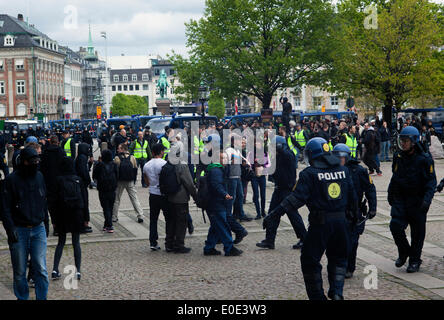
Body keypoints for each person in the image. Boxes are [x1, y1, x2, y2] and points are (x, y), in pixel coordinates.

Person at [267, 137, 357, 300]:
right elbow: (353, 197)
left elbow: (296, 199)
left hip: (320, 224)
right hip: (341, 223)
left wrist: (275, 214)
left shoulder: (309, 174)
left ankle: (317, 297)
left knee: (309, 260)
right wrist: (353, 219)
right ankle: (337, 292)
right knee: (339, 259)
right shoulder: (344, 171)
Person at [1, 147, 49, 300]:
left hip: (38, 228)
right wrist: (10, 229)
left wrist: (45, 223)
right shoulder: (12, 180)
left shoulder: (40, 176)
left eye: (37, 160)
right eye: (33, 161)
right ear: (25, 162)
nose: (36, 163)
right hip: (19, 230)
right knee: (20, 271)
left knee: (40, 268)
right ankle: (22, 298)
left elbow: (43, 201)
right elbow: (5, 208)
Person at [388, 126, 436, 273]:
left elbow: (431, 182)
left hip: (418, 201)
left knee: (417, 233)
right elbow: (394, 176)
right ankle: (404, 251)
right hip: (401, 199)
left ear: (414, 141)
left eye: (406, 141)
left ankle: (415, 260)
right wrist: (391, 194)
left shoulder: (425, 159)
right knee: (395, 226)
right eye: (401, 140)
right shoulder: (398, 156)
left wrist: (427, 200)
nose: (403, 143)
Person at [332, 144, 377, 278]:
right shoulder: (331, 171)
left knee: (352, 242)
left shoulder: (359, 171)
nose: (339, 160)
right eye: (336, 157)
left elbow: (370, 189)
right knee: (336, 241)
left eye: (341, 157)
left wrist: (373, 207)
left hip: (354, 212)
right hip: (338, 211)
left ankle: (349, 267)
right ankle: (338, 265)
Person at [258, 136, 307, 250]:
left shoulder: (287, 155)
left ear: (279, 146)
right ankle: (269, 240)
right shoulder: (279, 155)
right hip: (279, 189)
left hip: (287, 190)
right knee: (272, 214)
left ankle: (304, 239)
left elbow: (285, 157)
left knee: (293, 216)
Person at [203, 151, 243, 256]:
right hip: (215, 203)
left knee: (216, 226)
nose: (226, 160)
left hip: (215, 202)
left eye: (226, 158)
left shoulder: (217, 169)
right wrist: (224, 194)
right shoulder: (216, 171)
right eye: (223, 158)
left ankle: (209, 248)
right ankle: (229, 248)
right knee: (223, 225)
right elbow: (216, 185)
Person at [51, 157, 84, 281]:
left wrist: (53, 219)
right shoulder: (78, 180)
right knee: (76, 242)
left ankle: (55, 269)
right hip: (76, 213)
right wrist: (86, 217)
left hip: (62, 214)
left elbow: (53, 201)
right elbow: (84, 200)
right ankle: (78, 271)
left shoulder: (58, 180)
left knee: (61, 242)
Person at [165, 149, 197, 253]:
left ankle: (169, 243)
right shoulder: (182, 165)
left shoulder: (168, 164)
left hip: (169, 197)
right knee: (181, 222)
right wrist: (195, 196)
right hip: (181, 197)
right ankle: (179, 245)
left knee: (171, 222)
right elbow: (189, 183)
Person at [143, 143, 168, 251]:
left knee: (153, 219)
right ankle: (169, 240)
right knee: (168, 218)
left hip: (152, 194)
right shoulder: (164, 164)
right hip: (163, 194)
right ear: (161, 152)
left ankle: (153, 242)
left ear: (152, 152)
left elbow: (147, 182)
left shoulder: (146, 165)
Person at [113, 143, 145, 223]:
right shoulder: (132, 157)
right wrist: (134, 180)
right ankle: (140, 215)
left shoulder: (117, 158)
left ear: (123, 149)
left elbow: (115, 170)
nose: (117, 150)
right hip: (130, 181)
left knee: (116, 199)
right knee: (134, 198)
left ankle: (114, 216)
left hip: (120, 181)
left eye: (119, 148)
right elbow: (135, 169)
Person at [40, 135, 65, 236]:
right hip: (60, 182)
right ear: (58, 142)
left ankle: (54, 226)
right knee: (60, 205)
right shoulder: (61, 152)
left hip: (49, 182)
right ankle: (60, 226)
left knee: (52, 206)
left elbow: (42, 169)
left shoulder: (45, 153)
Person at [93, 149, 118, 233]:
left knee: (105, 207)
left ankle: (109, 225)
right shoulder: (114, 165)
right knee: (110, 207)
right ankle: (106, 224)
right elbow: (117, 175)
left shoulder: (99, 165)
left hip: (102, 189)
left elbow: (94, 176)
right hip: (112, 188)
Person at [247, 138, 270, 220]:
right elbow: (248, 163)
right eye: (256, 143)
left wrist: (263, 165)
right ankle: (258, 213)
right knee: (256, 194)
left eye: (259, 143)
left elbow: (268, 164)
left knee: (263, 195)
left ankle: (263, 212)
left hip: (262, 175)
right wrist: (252, 165)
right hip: (254, 176)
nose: (258, 144)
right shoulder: (251, 153)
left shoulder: (265, 153)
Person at [75, 143, 93, 233]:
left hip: (80, 183)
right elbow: (83, 171)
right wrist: (88, 181)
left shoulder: (81, 157)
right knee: (84, 203)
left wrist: (90, 164)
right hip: (82, 184)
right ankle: (83, 224)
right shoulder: (82, 157)